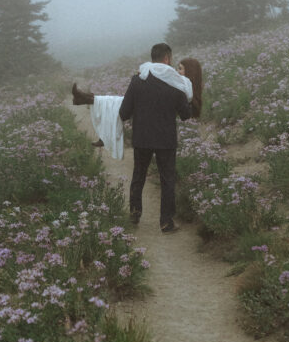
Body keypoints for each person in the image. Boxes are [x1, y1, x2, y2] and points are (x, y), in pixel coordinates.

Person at [72, 46, 202, 232]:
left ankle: (134, 213)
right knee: (167, 180)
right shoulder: (176, 83)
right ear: (167, 58)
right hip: (166, 140)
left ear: (153, 57)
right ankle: (166, 222)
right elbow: (185, 115)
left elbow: (124, 112)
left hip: (142, 138)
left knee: (138, 176)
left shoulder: (137, 80)